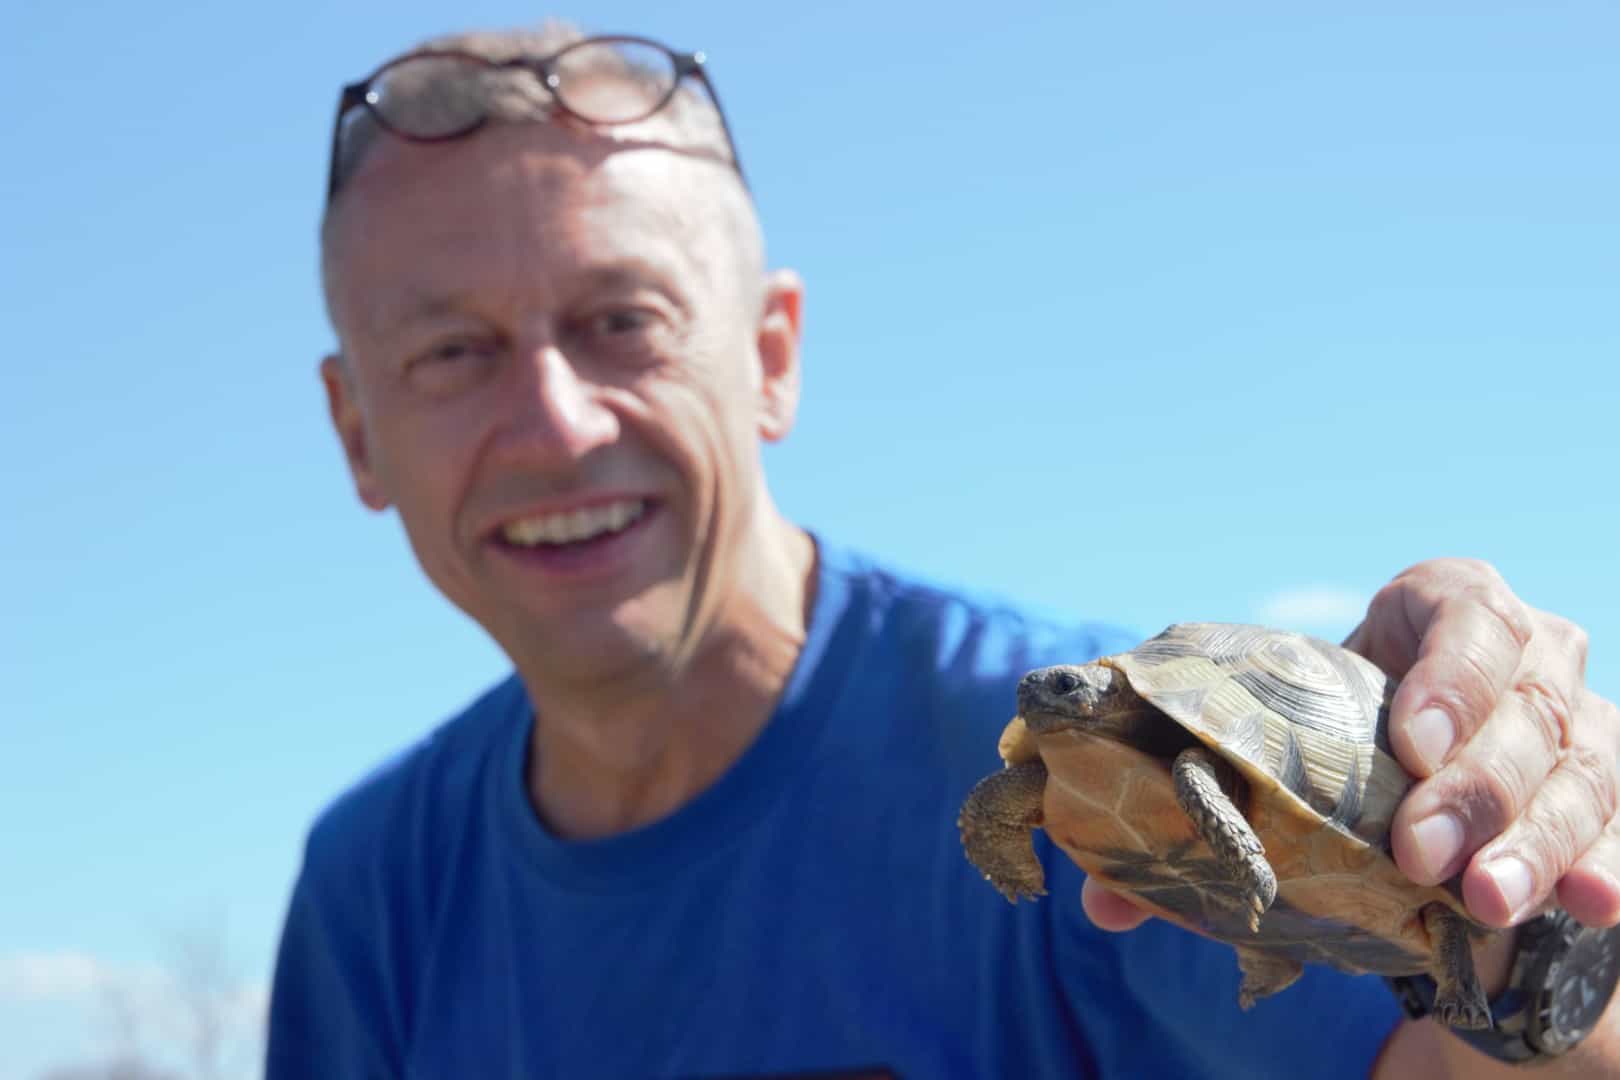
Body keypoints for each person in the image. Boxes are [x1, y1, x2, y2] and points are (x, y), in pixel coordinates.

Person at [268, 21, 1620, 1078]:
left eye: (621, 321)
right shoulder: (377, 892)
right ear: (355, 434)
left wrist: (1531, 895)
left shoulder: (1072, 766)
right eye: (451, 352)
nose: (556, 425)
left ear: (771, 359)